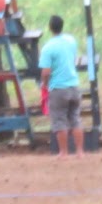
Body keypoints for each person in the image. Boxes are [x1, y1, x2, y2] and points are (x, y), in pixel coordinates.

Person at [38, 14, 84, 157]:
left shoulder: (48, 48)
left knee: (59, 120)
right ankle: (80, 151)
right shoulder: (71, 41)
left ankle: (63, 152)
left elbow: (46, 72)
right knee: (75, 119)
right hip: (74, 85)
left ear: (50, 28)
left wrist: (44, 85)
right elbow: (74, 58)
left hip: (58, 88)